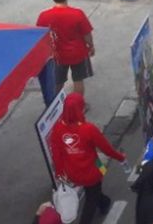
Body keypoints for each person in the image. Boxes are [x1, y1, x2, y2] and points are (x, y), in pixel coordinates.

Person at [49, 94, 126, 224]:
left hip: (72, 172)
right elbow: (106, 149)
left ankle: (103, 201)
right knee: (92, 197)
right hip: (95, 167)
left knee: (94, 190)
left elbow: (57, 155)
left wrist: (59, 173)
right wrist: (121, 157)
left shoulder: (57, 129)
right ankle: (98, 207)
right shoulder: (89, 129)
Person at [36, 0, 95, 98]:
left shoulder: (44, 16)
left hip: (57, 55)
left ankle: (57, 106)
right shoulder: (77, 14)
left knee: (58, 81)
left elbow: (41, 36)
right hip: (78, 52)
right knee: (78, 80)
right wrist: (91, 46)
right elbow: (87, 34)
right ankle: (79, 105)